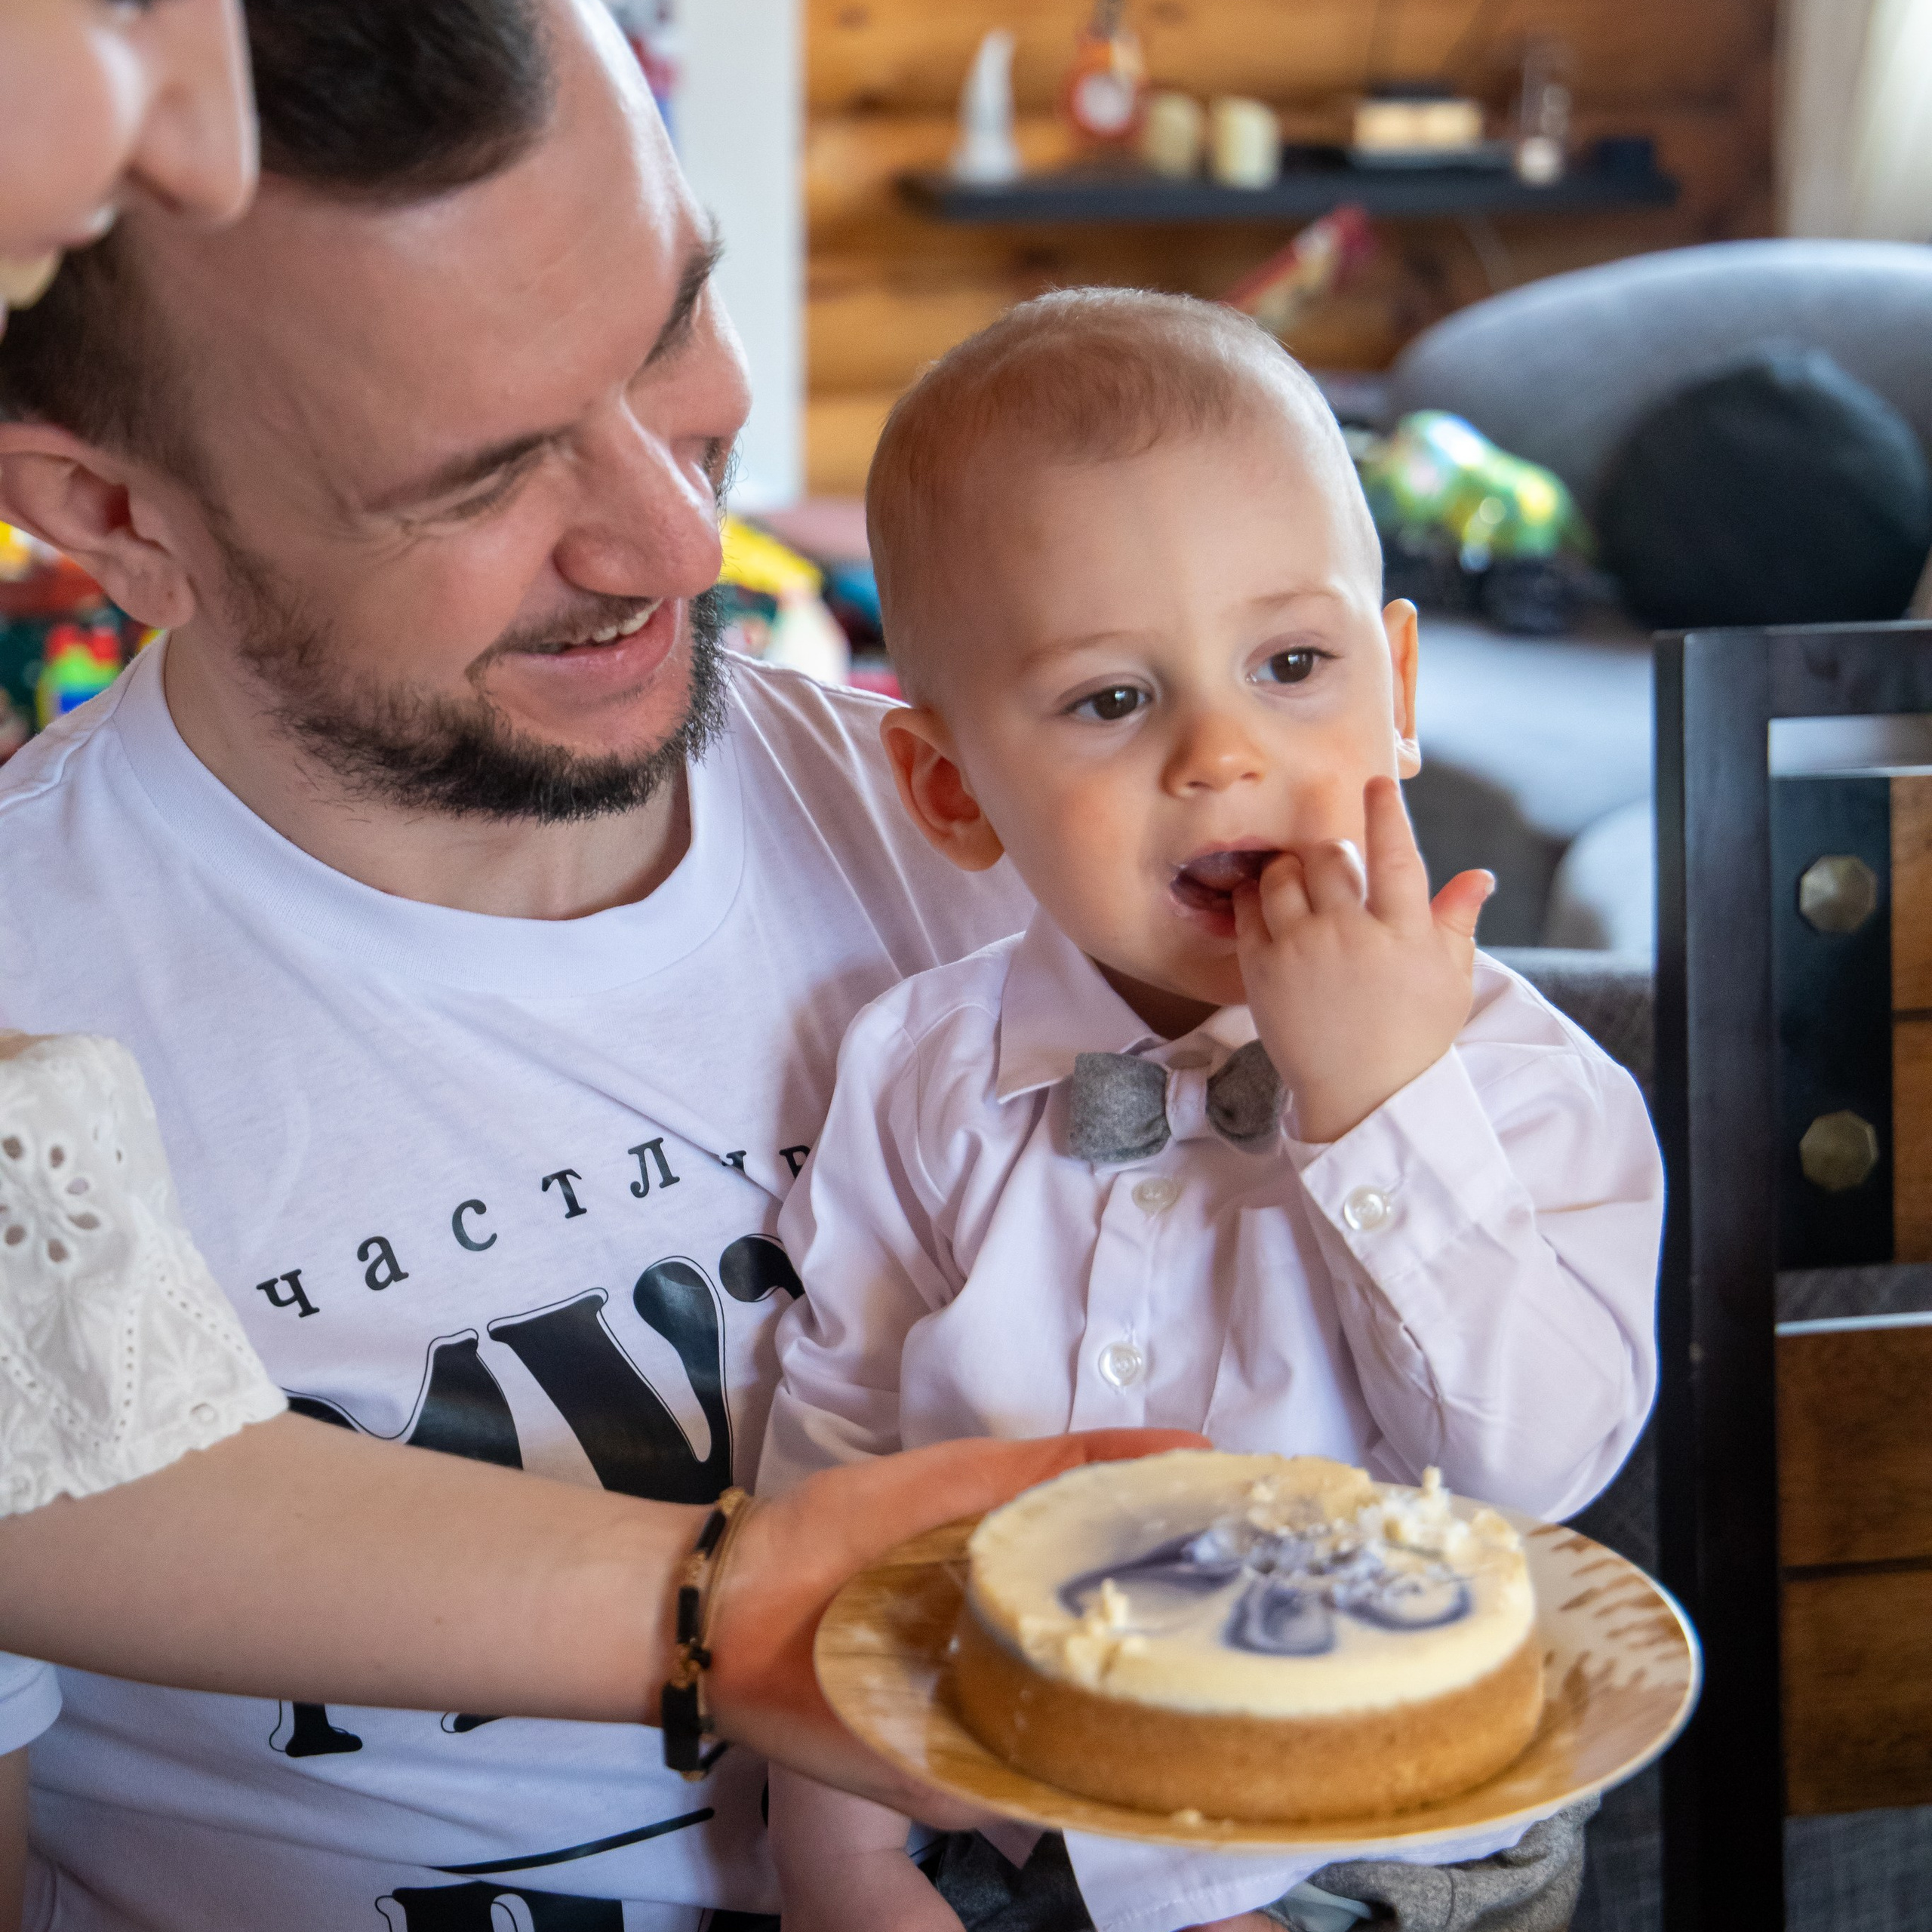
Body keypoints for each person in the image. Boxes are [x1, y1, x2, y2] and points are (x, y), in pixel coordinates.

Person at [0, 0, 1186, 1920]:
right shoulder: (36, 994)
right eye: (478, 478)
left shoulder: (996, 837)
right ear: (116, 515)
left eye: (672, 336)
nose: (679, 535)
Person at [757, 292, 1666, 1932]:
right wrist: (829, 1844)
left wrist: (1377, 1101)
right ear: (951, 789)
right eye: (1112, 699)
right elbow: (834, 1470)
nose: (1223, 750)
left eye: (1291, 664)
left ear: (1393, 685)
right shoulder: (919, 1077)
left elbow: (1536, 1461)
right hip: (1004, 1812)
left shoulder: (1519, 1087)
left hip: (1381, 1846)